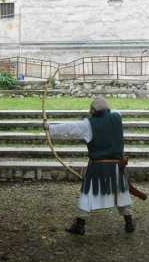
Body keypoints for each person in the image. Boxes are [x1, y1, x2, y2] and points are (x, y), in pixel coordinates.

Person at [45, 96, 134, 235]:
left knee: (88, 195)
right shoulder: (117, 117)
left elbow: (70, 128)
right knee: (121, 193)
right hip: (117, 167)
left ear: (93, 111)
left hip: (98, 168)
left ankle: (80, 225)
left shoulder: (89, 124)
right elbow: (112, 111)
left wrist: (50, 128)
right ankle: (129, 223)